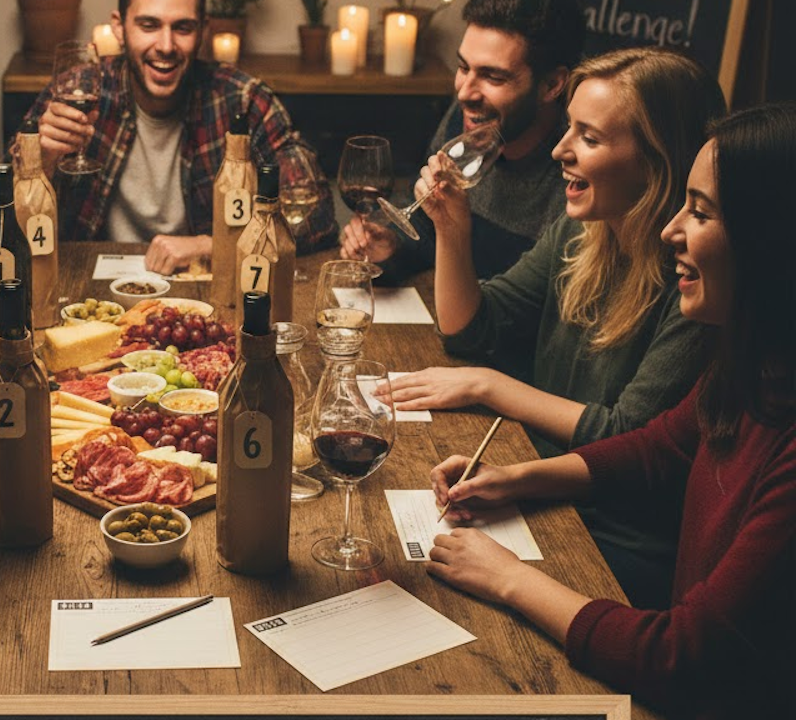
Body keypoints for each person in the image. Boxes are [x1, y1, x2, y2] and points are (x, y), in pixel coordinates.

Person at [427, 103, 796, 720]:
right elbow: (661, 447)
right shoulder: (757, 366)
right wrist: (518, 478)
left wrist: (509, 578)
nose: (671, 230)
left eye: (701, 213)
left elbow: (680, 654)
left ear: (770, 242)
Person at [388, 48, 724, 608]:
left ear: (656, 161)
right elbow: (471, 330)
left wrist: (487, 385)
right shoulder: (581, 236)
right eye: (569, 128)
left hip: (612, 539)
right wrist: (452, 228)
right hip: (536, 488)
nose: (558, 150)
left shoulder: (695, 285)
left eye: (588, 138)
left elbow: (626, 434)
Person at [26, 0, 338, 274]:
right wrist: (40, 164)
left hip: (205, 291)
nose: (165, 45)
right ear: (119, 28)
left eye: (183, 28)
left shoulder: (241, 99)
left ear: (203, 30)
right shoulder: (77, 91)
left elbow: (316, 216)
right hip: (89, 293)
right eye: (148, 25)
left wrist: (210, 245)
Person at [340, 0, 585, 283]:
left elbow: (532, 304)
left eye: (492, 77)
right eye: (463, 67)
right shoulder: (470, 117)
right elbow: (425, 222)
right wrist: (393, 247)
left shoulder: (576, 174)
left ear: (552, 84)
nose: (465, 93)